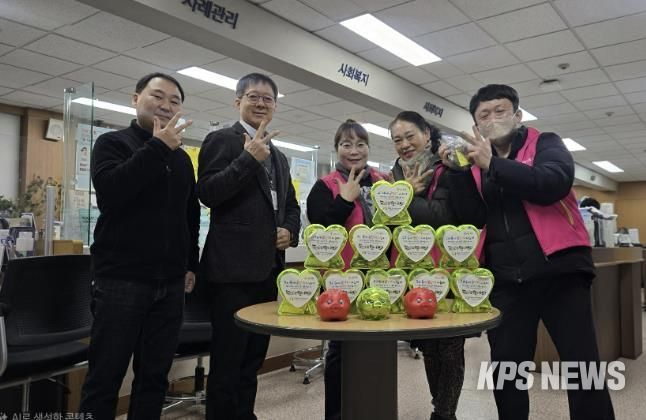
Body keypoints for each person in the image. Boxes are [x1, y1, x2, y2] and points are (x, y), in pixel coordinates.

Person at [450, 84, 615, 420]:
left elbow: (553, 182)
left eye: (500, 110)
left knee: (582, 368)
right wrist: (459, 173)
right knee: (507, 373)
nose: (493, 119)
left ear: (517, 115)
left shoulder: (545, 142)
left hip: (560, 272)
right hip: (507, 280)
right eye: (484, 115)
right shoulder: (476, 164)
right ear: (476, 125)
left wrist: (493, 165)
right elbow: (471, 217)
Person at [80, 73, 200, 419]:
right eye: (157, 96)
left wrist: (190, 263)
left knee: (154, 379)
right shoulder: (112, 143)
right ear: (135, 99)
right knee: (105, 378)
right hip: (121, 280)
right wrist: (158, 147)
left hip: (171, 284)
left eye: (174, 101)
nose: (166, 106)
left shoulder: (182, 159)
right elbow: (111, 193)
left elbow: (189, 215)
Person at [197, 73, 301, 420]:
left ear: (275, 106)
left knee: (253, 359)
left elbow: (291, 207)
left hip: (268, 271)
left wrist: (289, 230)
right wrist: (248, 159)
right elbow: (208, 193)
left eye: (267, 99)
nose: (260, 103)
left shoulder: (280, 157)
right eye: (253, 96)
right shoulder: (221, 140)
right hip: (232, 273)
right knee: (228, 362)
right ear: (237, 101)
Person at [389, 111, 484, 420]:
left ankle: (444, 414)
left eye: (410, 136)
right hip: (414, 269)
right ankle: (439, 407)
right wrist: (402, 193)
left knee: (450, 345)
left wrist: (404, 199)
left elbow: (445, 217)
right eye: (397, 140)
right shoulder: (396, 174)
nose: (404, 144)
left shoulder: (448, 167)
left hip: (450, 268)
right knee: (429, 345)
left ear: (427, 135)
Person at [306, 119, 382, 420]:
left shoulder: (383, 182)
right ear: (336, 148)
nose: (354, 151)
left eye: (360, 144)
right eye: (346, 144)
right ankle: (337, 415)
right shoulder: (325, 186)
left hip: (380, 277)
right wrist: (344, 200)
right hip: (342, 279)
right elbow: (321, 231)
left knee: (378, 348)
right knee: (341, 350)